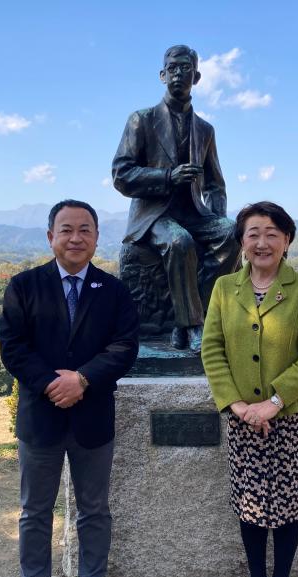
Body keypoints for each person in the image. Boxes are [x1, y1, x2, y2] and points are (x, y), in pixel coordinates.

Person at [0, 199, 139, 577]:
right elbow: (13, 347)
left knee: (94, 509)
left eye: (85, 230)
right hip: (40, 418)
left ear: (96, 237)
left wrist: (83, 379)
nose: (75, 238)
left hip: (92, 418)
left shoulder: (114, 291)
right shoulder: (23, 286)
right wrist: (52, 384)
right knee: (34, 511)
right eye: (66, 229)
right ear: (50, 237)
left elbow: (124, 347)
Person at [201, 202, 298, 577]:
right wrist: (238, 405)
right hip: (241, 419)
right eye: (253, 233)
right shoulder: (223, 289)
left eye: (272, 233)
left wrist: (273, 401)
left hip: (287, 417)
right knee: (250, 504)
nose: (262, 242)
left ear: (287, 240)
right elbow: (212, 349)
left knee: (289, 505)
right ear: (241, 242)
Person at [112, 44, 238, 352]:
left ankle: (200, 315)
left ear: (197, 76)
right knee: (179, 241)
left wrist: (218, 215)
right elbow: (121, 174)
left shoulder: (205, 130)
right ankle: (192, 326)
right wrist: (167, 177)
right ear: (162, 74)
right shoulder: (141, 120)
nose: (178, 73)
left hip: (194, 213)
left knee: (235, 232)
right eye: (172, 67)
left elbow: (215, 185)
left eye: (185, 68)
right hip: (154, 216)